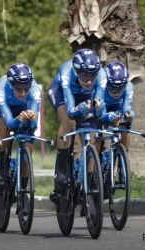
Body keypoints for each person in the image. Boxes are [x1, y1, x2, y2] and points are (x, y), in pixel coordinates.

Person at [47, 48, 106, 188]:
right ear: (76, 71)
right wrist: (79, 110)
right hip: (61, 92)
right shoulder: (67, 71)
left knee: (92, 128)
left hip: (85, 96)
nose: (89, 80)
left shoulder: (102, 75)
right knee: (66, 119)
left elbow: (99, 108)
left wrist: (98, 109)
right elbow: (71, 111)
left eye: (93, 76)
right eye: (84, 75)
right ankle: (62, 164)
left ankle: (89, 174)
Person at [0, 63, 40, 214]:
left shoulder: (35, 90)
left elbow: (34, 123)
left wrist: (30, 118)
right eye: (19, 89)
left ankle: (23, 191)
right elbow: (11, 123)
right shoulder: (1, 88)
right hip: (0, 106)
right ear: (11, 85)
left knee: (28, 142)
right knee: (4, 128)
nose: (23, 93)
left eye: (26, 89)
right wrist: (19, 119)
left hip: (22, 109)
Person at [100, 61, 135, 151]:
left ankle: (123, 160)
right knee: (96, 138)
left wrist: (128, 115)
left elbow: (126, 110)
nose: (116, 92)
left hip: (115, 106)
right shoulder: (101, 86)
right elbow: (100, 114)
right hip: (99, 109)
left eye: (121, 88)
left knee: (124, 125)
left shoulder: (129, 86)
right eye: (112, 88)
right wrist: (106, 116)